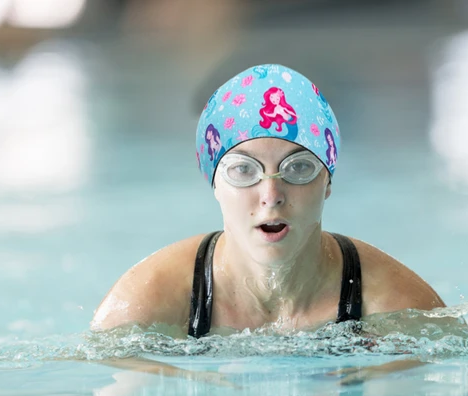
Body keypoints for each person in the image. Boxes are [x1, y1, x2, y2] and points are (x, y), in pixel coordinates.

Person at [92, 63, 445, 343]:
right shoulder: (148, 303)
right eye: (243, 170)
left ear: (328, 181)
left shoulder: (397, 305)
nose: (271, 194)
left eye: (299, 168)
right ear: (213, 182)